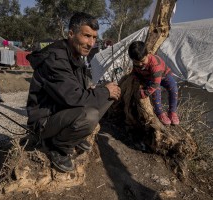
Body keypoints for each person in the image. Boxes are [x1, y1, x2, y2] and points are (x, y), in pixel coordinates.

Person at [26, 12, 121, 172]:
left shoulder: (75, 56)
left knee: (111, 94)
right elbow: (74, 97)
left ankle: (72, 135)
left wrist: (101, 90)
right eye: (86, 36)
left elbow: (77, 90)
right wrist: (102, 92)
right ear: (71, 34)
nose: (91, 43)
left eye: (94, 38)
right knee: (89, 115)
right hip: (44, 121)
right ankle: (57, 146)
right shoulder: (55, 60)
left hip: (62, 110)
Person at [128, 41, 179, 125]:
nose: (140, 64)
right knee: (156, 91)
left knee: (173, 87)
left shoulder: (155, 64)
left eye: (142, 61)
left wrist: (145, 93)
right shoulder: (136, 63)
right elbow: (135, 72)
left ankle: (172, 112)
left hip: (163, 75)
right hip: (149, 78)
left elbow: (155, 84)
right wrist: (137, 80)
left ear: (148, 54)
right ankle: (159, 113)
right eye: (136, 62)